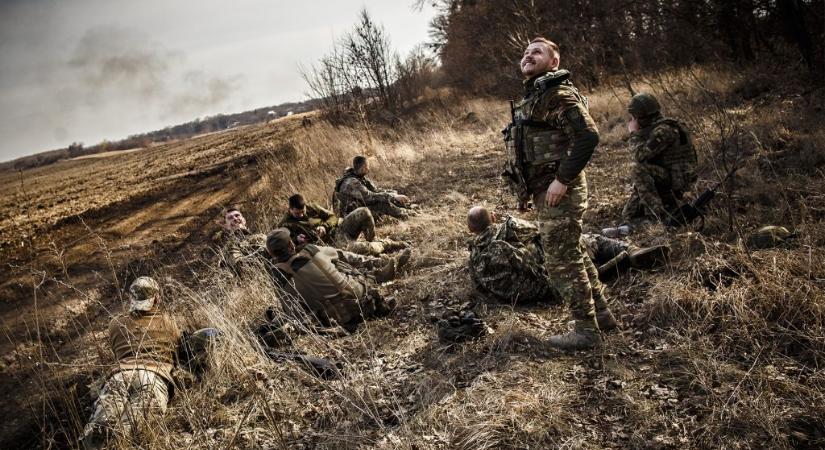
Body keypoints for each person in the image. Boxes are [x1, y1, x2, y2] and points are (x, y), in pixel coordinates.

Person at [503, 37, 615, 350]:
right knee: (573, 251)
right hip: (546, 192)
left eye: (536, 52)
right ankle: (601, 315)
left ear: (554, 61)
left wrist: (562, 180)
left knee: (560, 259)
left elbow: (587, 136)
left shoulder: (556, 94)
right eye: (525, 52)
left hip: (560, 192)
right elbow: (530, 151)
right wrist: (526, 191)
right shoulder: (536, 95)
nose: (528, 55)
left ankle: (585, 330)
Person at [80, 277, 182, 450]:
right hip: (153, 377)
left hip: (119, 376)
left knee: (98, 432)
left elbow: (117, 351)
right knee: (132, 435)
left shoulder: (115, 323)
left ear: (131, 299)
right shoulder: (170, 323)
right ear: (156, 299)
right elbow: (178, 354)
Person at [265, 228, 409, 332]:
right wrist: (372, 261)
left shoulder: (277, 276)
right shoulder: (310, 250)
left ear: (272, 254)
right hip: (358, 298)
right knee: (338, 261)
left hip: (332, 319)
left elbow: (293, 312)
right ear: (291, 245)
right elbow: (344, 255)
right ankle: (379, 273)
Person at [621, 93, 698, 223]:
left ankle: (656, 215)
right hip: (673, 176)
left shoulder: (664, 131)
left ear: (640, 116)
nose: (632, 119)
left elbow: (639, 156)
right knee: (628, 215)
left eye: (634, 117)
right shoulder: (663, 126)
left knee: (637, 169)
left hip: (677, 182)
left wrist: (634, 134)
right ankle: (659, 209)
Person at [278, 193, 407, 256]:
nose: (301, 215)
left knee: (364, 212)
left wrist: (324, 226)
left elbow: (332, 216)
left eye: (303, 212)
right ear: (290, 209)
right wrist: (296, 239)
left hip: (340, 227)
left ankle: (373, 240)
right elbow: (284, 245)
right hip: (332, 243)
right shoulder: (285, 224)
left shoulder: (311, 207)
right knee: (365, 249)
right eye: (297, 214)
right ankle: (388, 244)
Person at [332, 156, 415, 220]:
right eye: (368, 166)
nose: (369, 168)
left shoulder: (358, 177)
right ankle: (408, 215)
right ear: (364, 167)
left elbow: (375, 191)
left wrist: (393, 194)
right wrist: (392, 197)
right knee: (383, 205)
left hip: (358, 209)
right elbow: (370, 197)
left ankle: (409, 209)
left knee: (388, 196)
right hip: (350, 216)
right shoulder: (351, 182)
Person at [218, 208, 269, 276]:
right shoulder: (229, 247)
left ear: (244, 220)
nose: (235, 219)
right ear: (226, 226)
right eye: (230, 218)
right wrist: (265, 250)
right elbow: (242, 266)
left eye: (237, 215)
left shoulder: (260, 236)